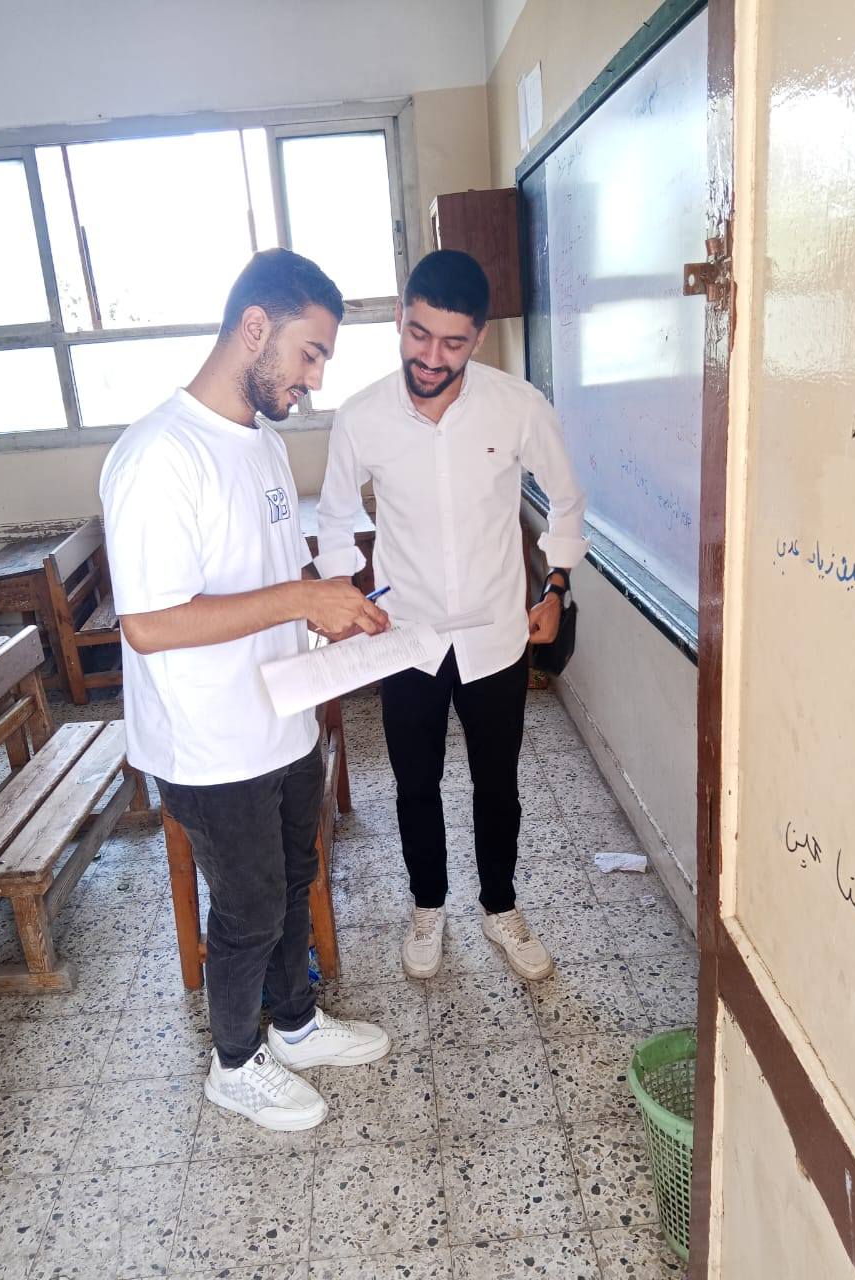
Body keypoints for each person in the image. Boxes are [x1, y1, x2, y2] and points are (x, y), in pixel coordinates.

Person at [100, 248, 392, 1133]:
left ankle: (294, 1023)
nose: (315, 379)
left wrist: (324, 608)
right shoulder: (159, 456)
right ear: (254, 328)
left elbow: (267, 575)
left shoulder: (262, 442)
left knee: (296, 875)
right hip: (208, 740)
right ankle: (233, 1062)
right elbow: (149, 624)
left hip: (281, 714)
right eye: (310, 353)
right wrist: (301, 600)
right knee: (249, 906)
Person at [315, 249, 588, 983]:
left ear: (479, 338)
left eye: (453, 343)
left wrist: (555, 587)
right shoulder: (362, 417)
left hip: (497, 636)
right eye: (418, 334)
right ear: (400, 318)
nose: (431, 358)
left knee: (498, 785)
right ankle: (427, 905)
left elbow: (567, 498)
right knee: (415, 786)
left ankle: (501, 906)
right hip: (407, 637)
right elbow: (335, 516)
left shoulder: (517, 406)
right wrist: (341, 593)